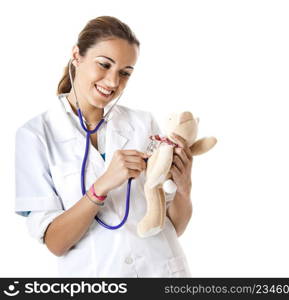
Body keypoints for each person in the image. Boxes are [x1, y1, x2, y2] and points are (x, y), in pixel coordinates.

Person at [15, 16, 193, 277]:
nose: (112, 82)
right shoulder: (35, 135)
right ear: (77, 55)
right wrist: (102, 186)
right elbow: (56, 243)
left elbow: (172, 227)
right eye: (104, 65)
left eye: (124, 73)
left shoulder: (143, 123)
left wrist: (184, 188)